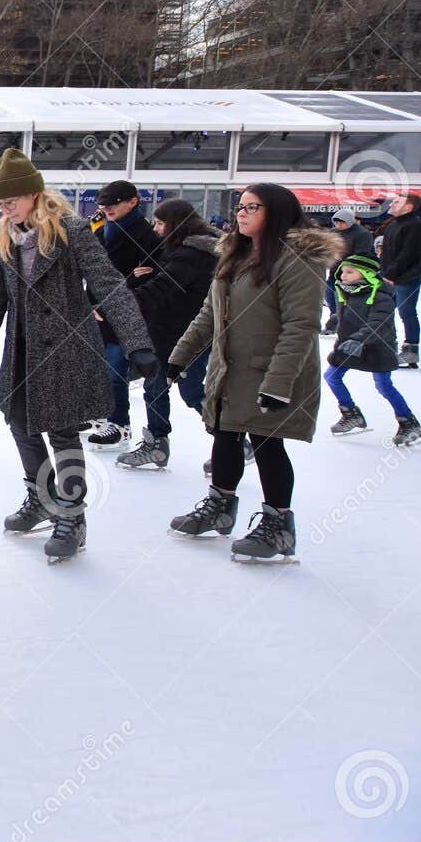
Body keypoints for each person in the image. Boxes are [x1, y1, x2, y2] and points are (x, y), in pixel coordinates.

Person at [0, 149, 158, 562]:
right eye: (0, 204)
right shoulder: (2, 235)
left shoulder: (71, 230)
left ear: (35, 194)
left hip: (66, 348)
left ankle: (72, 516)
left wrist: (137, 343)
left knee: (60, 431)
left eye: (11, 201)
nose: (5, 210)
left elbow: (108, 284)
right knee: (18, 422)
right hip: (22, 349)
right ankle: (42, 498)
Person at [167, 184, 338, 562]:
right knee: (225, 434)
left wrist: (278, 383)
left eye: (252, 207)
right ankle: (220, 507)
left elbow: (301, 325)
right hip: (232, 367)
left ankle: (279, 528)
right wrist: (179, 356)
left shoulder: (298, 258)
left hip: (272, 370)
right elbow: (209, 314)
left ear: (275, 211)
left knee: (267, 443)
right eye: (240, 207)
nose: (241, 213)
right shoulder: (236, 253)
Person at [116, 199, 222, 470]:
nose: (157, 228)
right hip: (172, 330)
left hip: (186, 333)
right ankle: (157, 443)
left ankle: (229, 439)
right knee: (155, 386)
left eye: (161, 223)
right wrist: (148, 275)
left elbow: (165, 288)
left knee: (192, 390)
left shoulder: (193, 253)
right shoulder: (188, 248)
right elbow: (173, 282)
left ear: (176, 223)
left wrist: (117, 304)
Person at [87, 180, 164, 454]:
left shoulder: (144, 235)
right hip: (101, 309)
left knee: (116, 369)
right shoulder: (106, 228)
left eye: (113, 203)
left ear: (133, 201)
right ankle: (105, 414)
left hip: (127, 312)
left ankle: (119, 425)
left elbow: (155, 276)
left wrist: (143, 277)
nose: (107, 208)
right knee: (101, 366)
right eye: (103, 204)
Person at [325, 253, 421, 445]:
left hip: (377, 347)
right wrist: (334, 321)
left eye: (349, 272)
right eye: (342, 271)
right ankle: (351, 413)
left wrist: (360, 339)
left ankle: (408, 422)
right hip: (349, 344)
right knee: (331, 376)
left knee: (384, 386)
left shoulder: (381, 296)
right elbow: (345, 317)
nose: (343, 275)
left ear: (366, 274)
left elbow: (378, 323)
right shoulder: (345, 291)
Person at [380, 192, 421, 368]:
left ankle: (410, 351)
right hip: (392, 275)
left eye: (397, 202)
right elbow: (388, 253)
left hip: (407, 277)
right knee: (386, 311)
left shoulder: (415, 225)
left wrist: (390, 274)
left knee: (406, 312)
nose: (392, 204)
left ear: (409, 207)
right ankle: (390, 346)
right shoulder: (393, 224)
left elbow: (408, 253)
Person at [323, 209, 375, 334]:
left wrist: (344, 258)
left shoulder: (362, 234)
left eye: (342, 222)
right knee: (330, 296)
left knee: (342, 299)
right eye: (336, 222)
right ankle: (334, 320)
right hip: (334, 270)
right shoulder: (334, 232)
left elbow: (362, 253)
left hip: (351, 272)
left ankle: (341, 324)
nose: (339, 225)